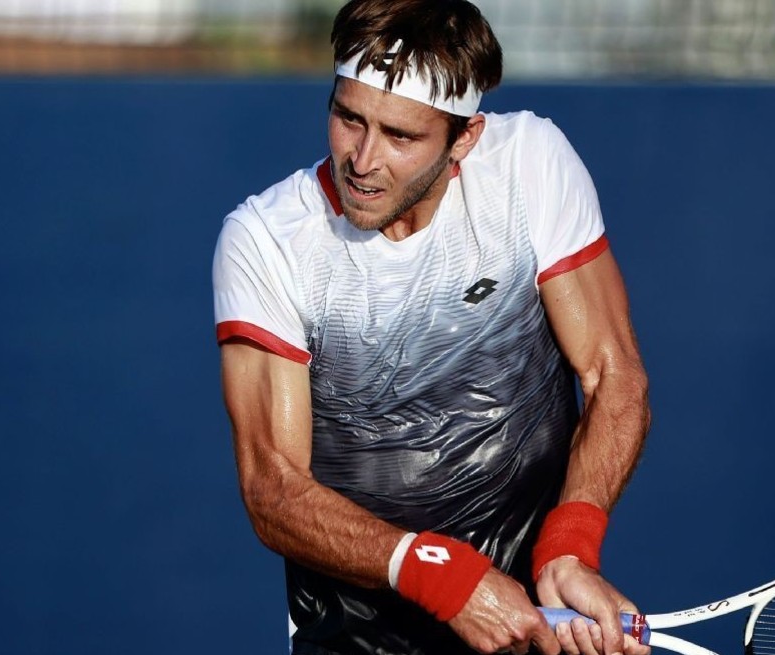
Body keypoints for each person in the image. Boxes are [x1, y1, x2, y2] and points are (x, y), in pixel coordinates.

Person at [212, 1, 651, 654]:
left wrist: (568, 550)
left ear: (464, 140)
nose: (363, 159)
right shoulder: (266, 240)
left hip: (531, 624)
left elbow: (613, 374)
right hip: (356, 638)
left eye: (400, 135)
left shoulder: (530, 164)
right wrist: (440, 575)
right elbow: (273, 488)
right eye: (347, 117)